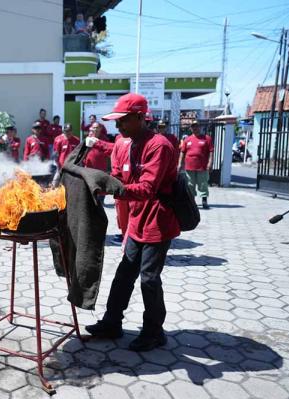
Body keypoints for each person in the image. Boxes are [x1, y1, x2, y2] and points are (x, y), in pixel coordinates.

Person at [86, 93, 180, 352]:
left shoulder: (158, 145)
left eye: (123, 121)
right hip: (137, 218)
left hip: (158, 220)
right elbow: (118, 175)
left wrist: (115, 190)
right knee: (124, 273)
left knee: (149, 278)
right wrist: (97, 183)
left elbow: (148, 187)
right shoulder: (126, 142)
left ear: (140, 117)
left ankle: (154, 332)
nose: (118, 126)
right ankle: (112, 322)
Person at [178, 121, 213, 209]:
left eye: (196, 126)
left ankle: (204, 201)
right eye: (193, 127)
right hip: (189, 166)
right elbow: (182, 152)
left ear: (200, 127)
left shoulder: (207, 138)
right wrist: (179, 164)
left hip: (202, 166)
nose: (195, 128)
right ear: (191, 128)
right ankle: (191, 201)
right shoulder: (187, 140)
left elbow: (211, 152)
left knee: (203, 184)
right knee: (190, 185)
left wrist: (210, 162)